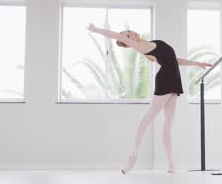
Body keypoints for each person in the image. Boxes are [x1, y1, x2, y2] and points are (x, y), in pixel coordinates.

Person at [86, 24, 211, 173]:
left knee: (168, 124)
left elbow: (173, 60)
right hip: (165, 80)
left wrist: (195, 63)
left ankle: (171, 163)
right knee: (148, 118)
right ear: (127, 44)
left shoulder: (151, 44)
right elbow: (116, 36)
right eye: (127, 36)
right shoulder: (140, 48)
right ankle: (133, 156)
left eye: (129, 31)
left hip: (174, 80)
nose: (131, 33)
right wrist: (96, 30)